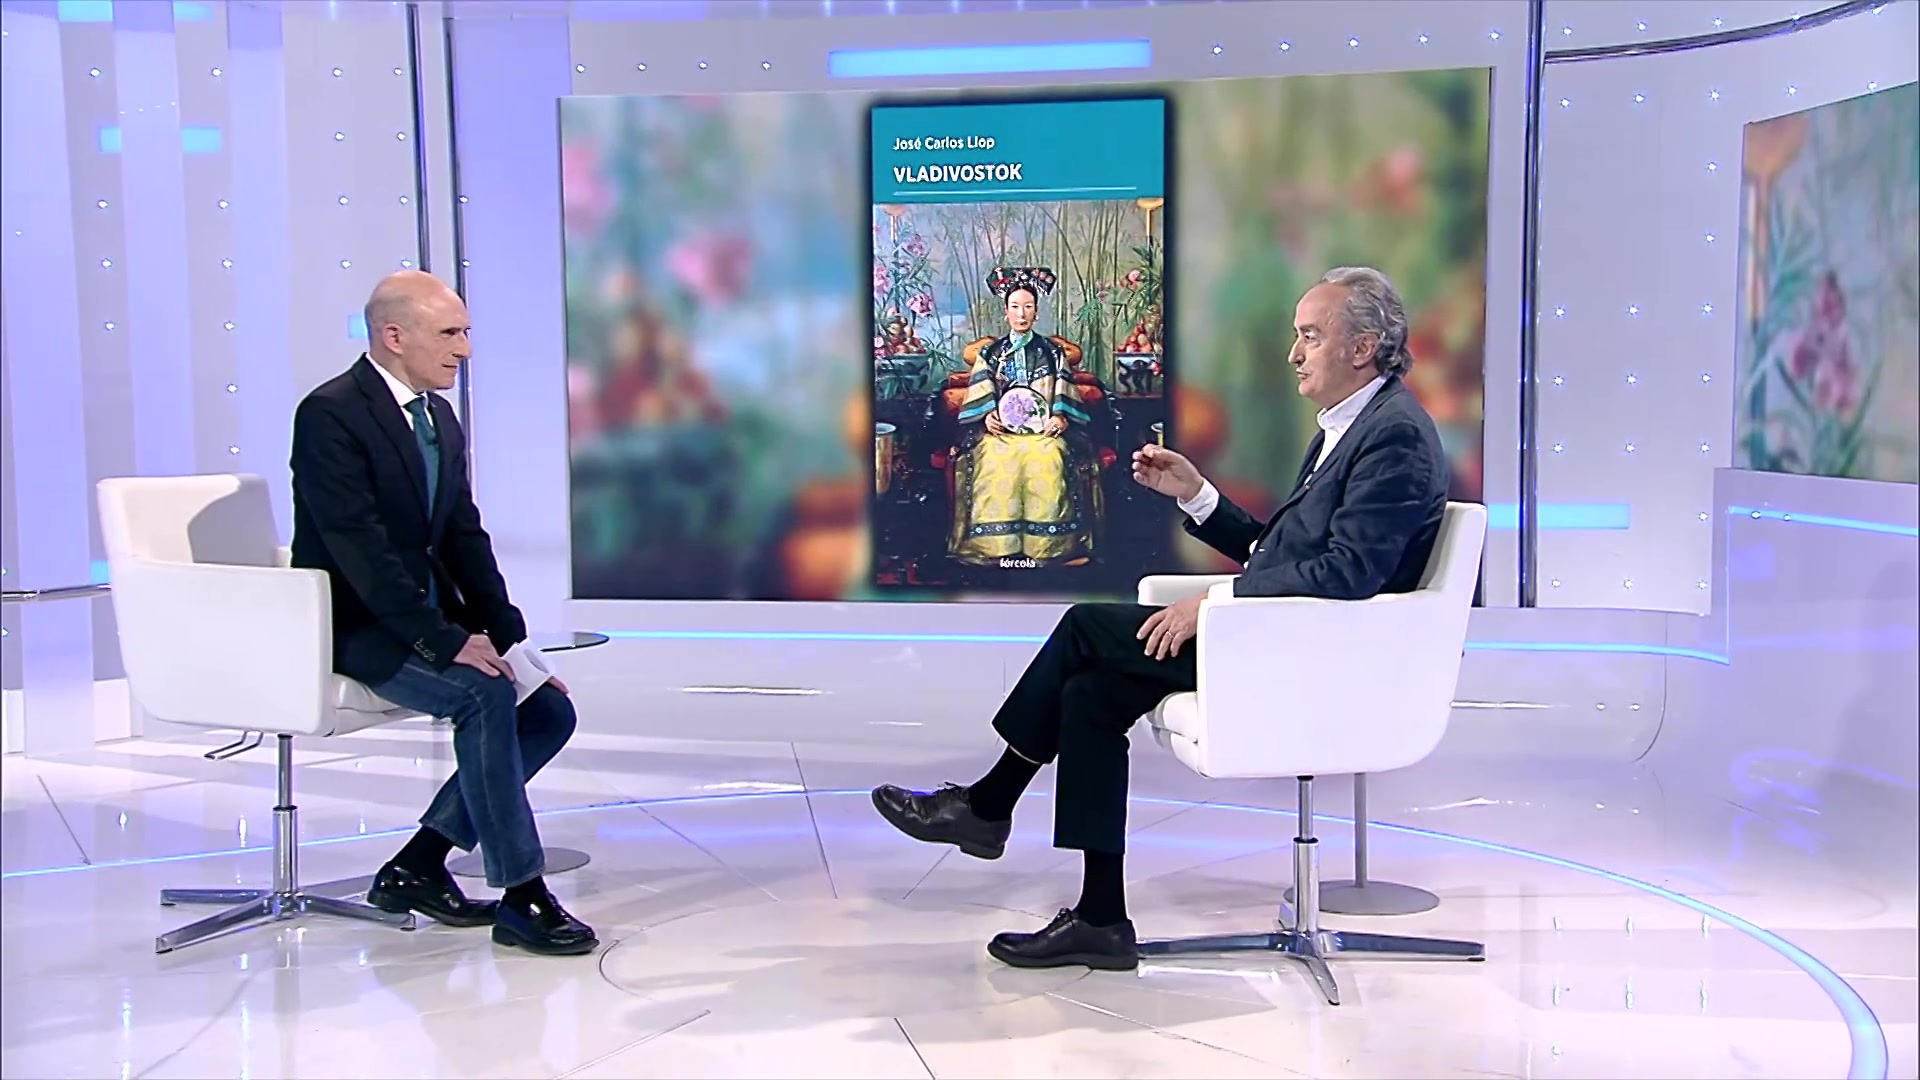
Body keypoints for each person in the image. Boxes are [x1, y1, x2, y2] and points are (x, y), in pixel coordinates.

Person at [871, 266, 1449, 971]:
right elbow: (1284, 554)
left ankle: (988, 806)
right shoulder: (1351, 425)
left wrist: (1214, 604)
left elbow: (1347, 574)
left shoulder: (1393, 436)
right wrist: (1198, 495)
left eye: (1310, 336)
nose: (1294, 353)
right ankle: (1099, 919)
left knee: (1086, 627)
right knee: (1090, 696)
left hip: (1315, 653)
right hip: (1282, 633)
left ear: (1362, 347)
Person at [290, 270, 597, 957]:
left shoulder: (438, 418)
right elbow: (362, 553)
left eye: (466, 332)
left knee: (548, 710)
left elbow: (461, 535)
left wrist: (512, 644)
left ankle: (418, 865)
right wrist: (443, 642)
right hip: (359, 626)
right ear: (394, 337)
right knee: (483, 696)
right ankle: (523, 894)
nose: (465, 349)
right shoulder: (330, 414)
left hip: (427, 618)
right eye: (450, 333)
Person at [949, 266, 1097, 567]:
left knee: (1050, 454)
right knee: (993, 455)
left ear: (1036, 312)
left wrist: (1060, 416)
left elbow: (1064, 390)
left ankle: (1048, 546)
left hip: (1043, 433)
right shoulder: (991, 353)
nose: (1021, 313)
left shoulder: (1052, 352)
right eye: (1015, 306)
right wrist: (987, 415)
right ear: (1006, 312)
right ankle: (996, 546)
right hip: (1001, 434)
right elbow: (981, 391)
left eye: (1028, 306)